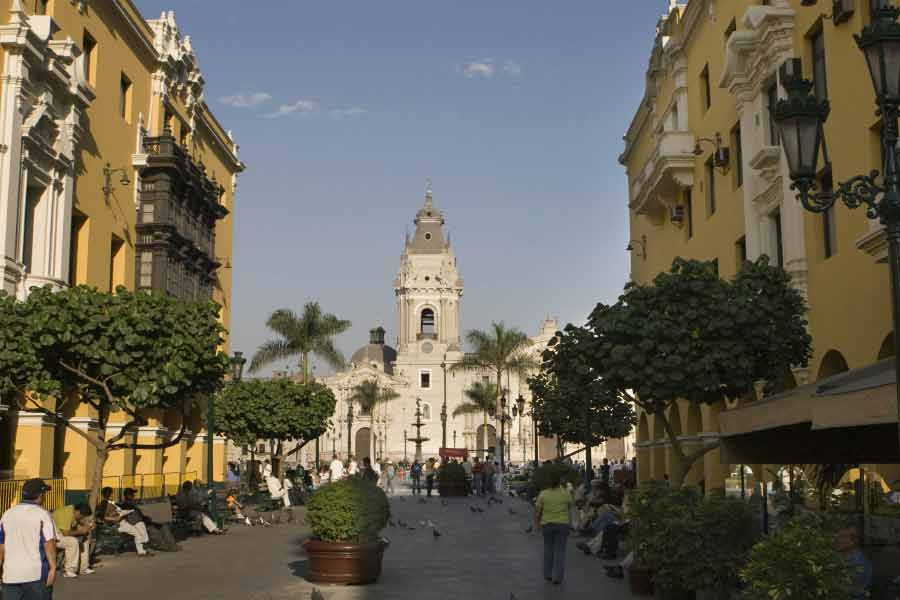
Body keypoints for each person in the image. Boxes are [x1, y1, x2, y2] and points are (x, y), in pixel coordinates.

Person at [0, 478, 58, 599]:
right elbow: (49, 543)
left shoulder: (7, 514)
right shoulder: (43, 514)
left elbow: (1, 545)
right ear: (40, 495)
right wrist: (53, 568)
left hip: (10, 575)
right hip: (36, 576)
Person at [534, 472, 574, 585]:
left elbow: (537, 511)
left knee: (548, 550)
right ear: (559, 482)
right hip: (562, 525)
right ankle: (557, 577)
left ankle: (547, 574)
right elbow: (570, 506)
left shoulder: (543, 494)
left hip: (547, 525)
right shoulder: (566, 493)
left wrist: (537, 524)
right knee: (560, 551)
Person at [96, 486, 153, 555]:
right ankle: (141, 550)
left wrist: (124, 512)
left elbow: (117, 510)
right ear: (109, 494)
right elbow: (102, 517)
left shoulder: (110, 502)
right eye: (111, 493)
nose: (112, 495)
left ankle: (141, 550)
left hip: (121, 522)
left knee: (137, 532)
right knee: (137, 533)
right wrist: (114, 518)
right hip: (117, 525)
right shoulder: (104, 503)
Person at [56, 503, 95, 578]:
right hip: (53, 537)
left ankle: (83, 568)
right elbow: (65, 533)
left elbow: (81, 523)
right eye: (82, 517)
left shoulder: (75, 513)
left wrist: (89, 526)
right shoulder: (65, 513)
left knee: (84, 539)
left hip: (60, 534)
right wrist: (81, 531)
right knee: (72, 541)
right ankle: (69, 571)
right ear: (78, 512)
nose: (82, 519)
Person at [837, 526, 872, 600]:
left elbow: (847, 590)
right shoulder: (842, 558)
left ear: (854, 541)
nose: (838, 540)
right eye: (838, 536)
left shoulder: (859, 563)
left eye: (843, 537)